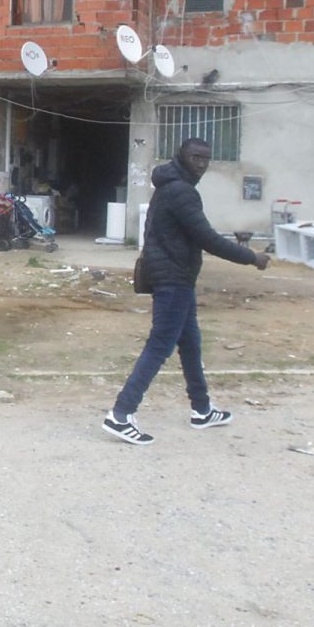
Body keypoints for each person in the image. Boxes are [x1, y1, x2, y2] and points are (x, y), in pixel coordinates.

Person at [103, 137, 270, 445]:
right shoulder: (181, 192)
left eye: (206, 158)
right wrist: (252, 257)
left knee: (190, 344)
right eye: (196, 157)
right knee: (160, 345)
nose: (201, 164)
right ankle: (121, 414)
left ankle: (202, 409)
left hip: (176, 277)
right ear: (182, 156)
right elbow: (207, 238)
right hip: (173, 279)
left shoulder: (171, 187)